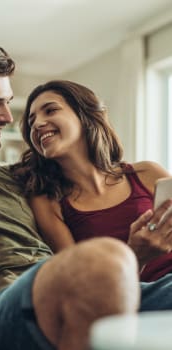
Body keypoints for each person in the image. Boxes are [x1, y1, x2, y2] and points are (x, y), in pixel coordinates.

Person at [0, 37, 169, 350]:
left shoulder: (21, 179)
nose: (9, 118)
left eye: (7, 102)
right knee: (105, 258)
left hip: (51, 283)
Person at [13, 79, 172, 283]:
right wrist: (136, 256)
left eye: (50, 111)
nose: (37, 124)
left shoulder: (147, 172)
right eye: (31, 120)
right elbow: (82, 285)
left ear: (84, 116)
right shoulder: (48, 201)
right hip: (138, 294)